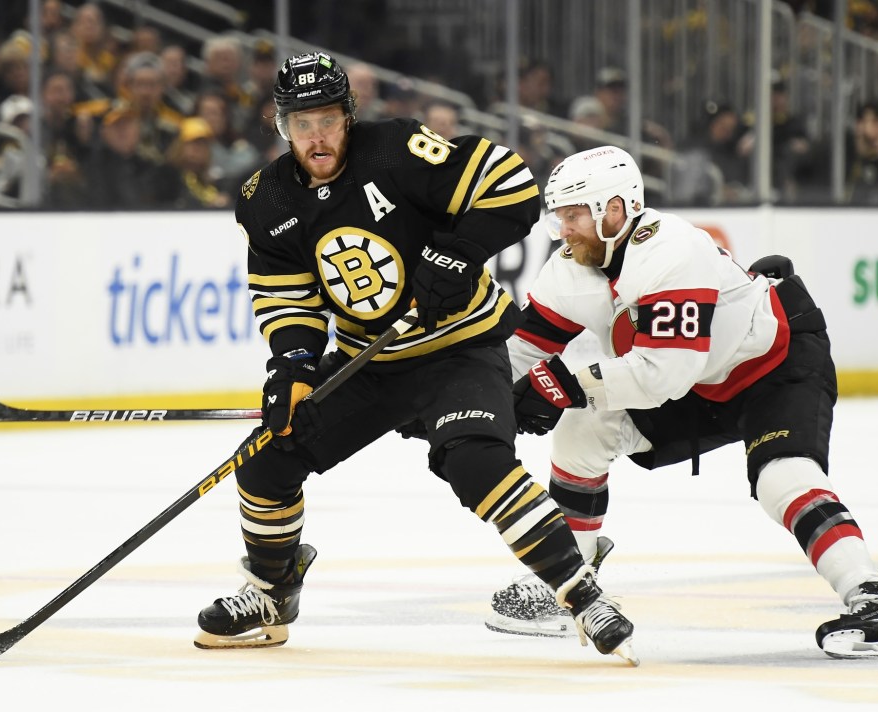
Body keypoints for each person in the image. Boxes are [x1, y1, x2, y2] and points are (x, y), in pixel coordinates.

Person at [193, 52, 638, 665]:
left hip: (461, 347)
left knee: (477, 464)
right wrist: (291, 367)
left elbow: (511, 186)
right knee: (265, 462)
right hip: (368, 362)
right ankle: (272, 593)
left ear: (348, 117)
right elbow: (286, 297)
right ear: (281, 126)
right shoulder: (266, 199)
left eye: (326, 119)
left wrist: (457, 253)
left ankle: (581, 594)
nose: (315, 136)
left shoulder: (396, 151)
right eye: (301, 123)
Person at [484, 144, 878, 660]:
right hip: (699, 382)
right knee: (583, 427)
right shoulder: (569, 270)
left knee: (782, 477)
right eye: (558, 215)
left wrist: (561, 382)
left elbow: (661, 375)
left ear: (616, 208)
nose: (563, 229)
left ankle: (873, 601)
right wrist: (462, 398)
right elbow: (519, 354)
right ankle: (570, 576)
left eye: (575, 214)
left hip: (774, 364)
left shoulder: (672, 249)